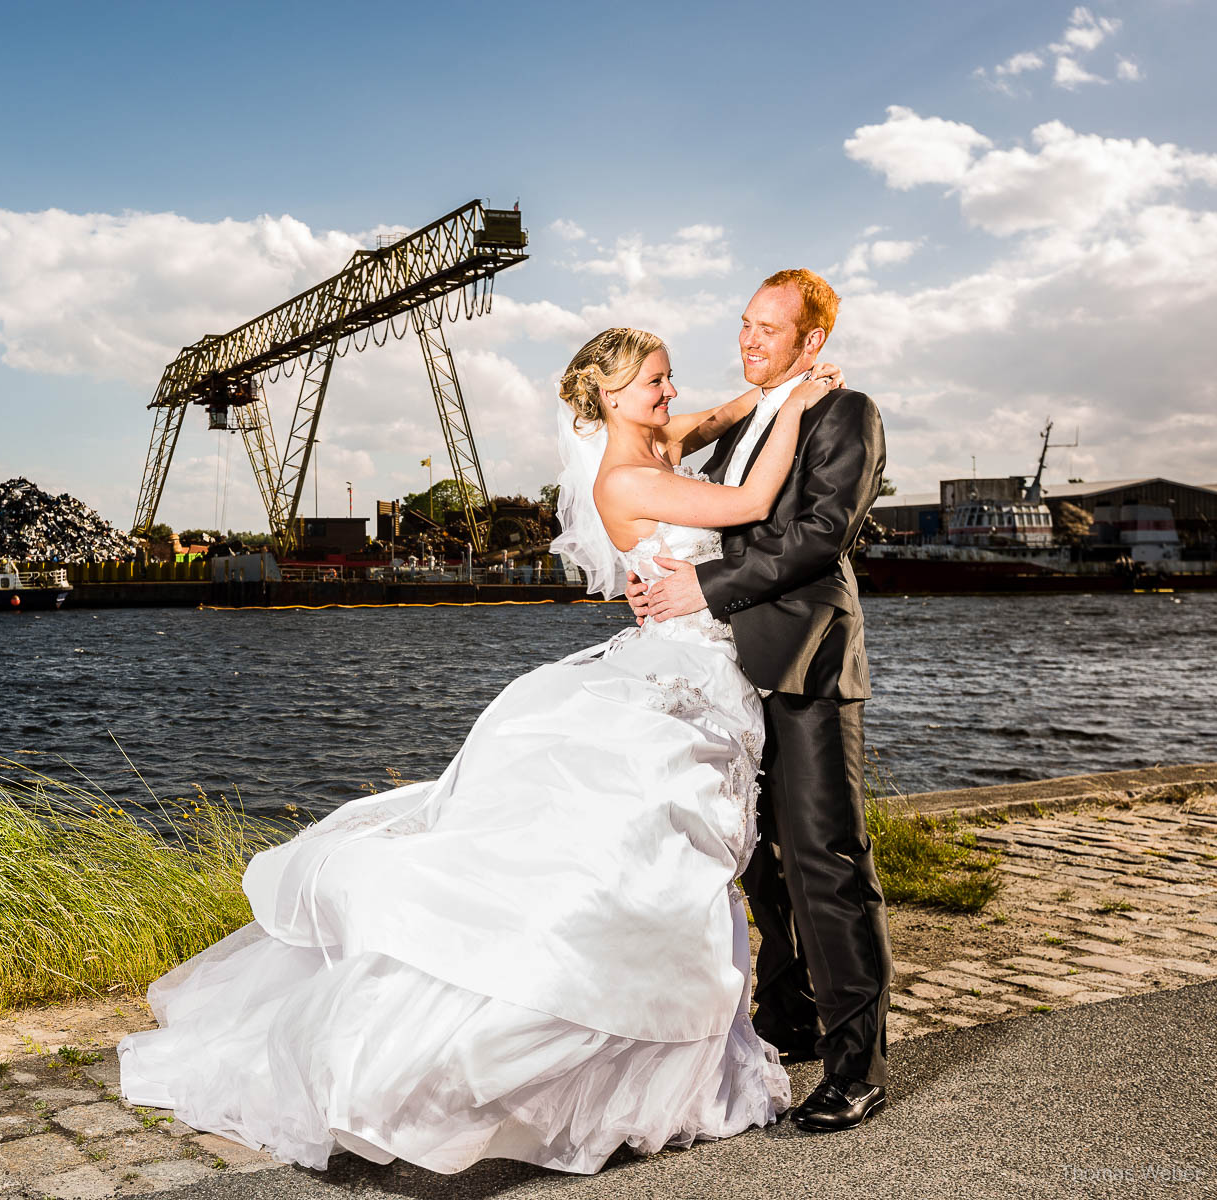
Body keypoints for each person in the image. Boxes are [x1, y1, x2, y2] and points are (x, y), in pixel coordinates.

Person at [118, 327, 842, 1174]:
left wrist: (768, 390)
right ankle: (602, 1054)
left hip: (702, 668)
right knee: (648, 848)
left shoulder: (658, 441)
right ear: (609, 397)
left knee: (678, 856)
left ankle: (674, 1048)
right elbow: (754, 501)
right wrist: (803, 399)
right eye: (655, 380)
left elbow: (718, 415)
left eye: (671, 376)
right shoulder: (630, 474)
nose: (672, 392)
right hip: (683, 670)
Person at [626, 268, 891, 1132]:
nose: (748, 341)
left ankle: (859, 1067)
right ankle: (788, 1017)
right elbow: (695, 516)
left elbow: (820, 537)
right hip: (728, 675)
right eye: (744, 324)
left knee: (826, 862)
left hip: (806, 664)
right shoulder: (740, 425)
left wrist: (701, 586)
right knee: (758, 860)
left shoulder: (844, 415)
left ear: (812, 341)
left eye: (769, 330)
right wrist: (653, 579)